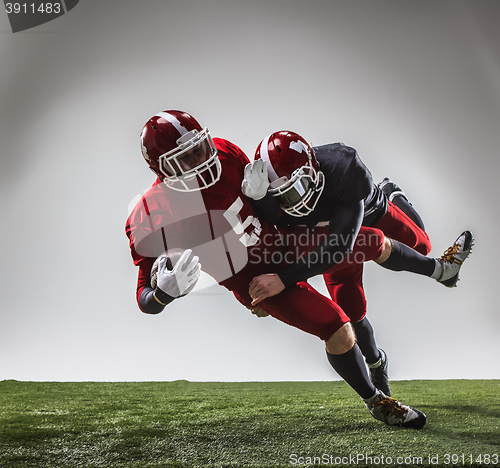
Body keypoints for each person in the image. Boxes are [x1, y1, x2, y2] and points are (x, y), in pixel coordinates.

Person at [126, 110, 429, 429]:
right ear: (160, 168)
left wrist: (264, 199)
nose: (200, 161)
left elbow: (263, 209)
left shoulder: (225, 152)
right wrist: (161, 294)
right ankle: (377, 402)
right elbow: (144, 297)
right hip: (254, 279)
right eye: (184, 159)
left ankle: (394, 205)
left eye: (199, 149)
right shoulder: (152, 215)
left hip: (284, 242)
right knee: (337, 329)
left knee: (366, 241)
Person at [242, 131, 473, 397]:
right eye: (284, 196)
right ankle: (377, 363)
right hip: (325, 235)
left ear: (313, 170)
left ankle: (393, 195)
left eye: (300, 187)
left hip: (368, 214)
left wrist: (282, 281)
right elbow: (258, 249)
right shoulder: (259, 198)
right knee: (352, 311)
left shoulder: (343, 169)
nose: (297, 201)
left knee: (422, 246)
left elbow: (341, 247)